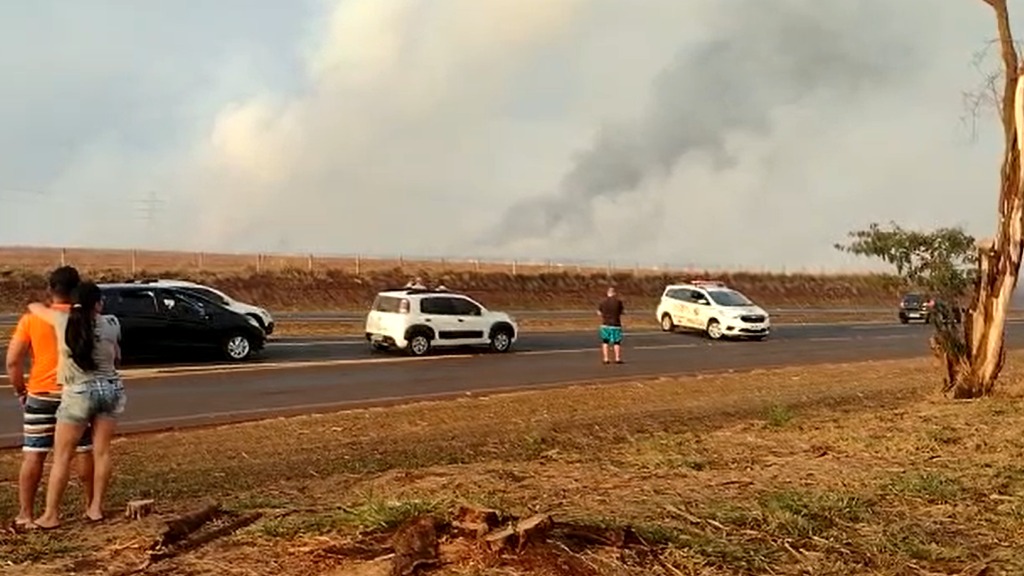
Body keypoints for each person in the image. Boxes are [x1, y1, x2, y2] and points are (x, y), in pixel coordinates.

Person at [25, 281, 125, 529]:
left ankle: (50, 515)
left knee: (62, 457)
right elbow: (117, 355)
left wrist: (42, 300)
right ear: (98, 304)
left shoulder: (63, 321)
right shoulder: (112, 322)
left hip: (78, 391)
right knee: (101, 452)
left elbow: (35, 307)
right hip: (111, 388)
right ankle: (95, 508)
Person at [4, 266, 94, 530]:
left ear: (50, 289)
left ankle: (26, 514)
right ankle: (90, 506)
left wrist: (20, 389)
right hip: (75, 393)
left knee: (34, 454)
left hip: (41, 392)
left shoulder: (31, 320)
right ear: (76, 290)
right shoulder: (83, 317)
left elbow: (12, 361)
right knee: (83, 450)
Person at [597, 286, 625, 364]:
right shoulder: (618, 302)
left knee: (605, 341)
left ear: (608, 293)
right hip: (616, 324)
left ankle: (606, 358)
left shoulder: (603, 302)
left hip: (605, 324)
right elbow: (622, 312)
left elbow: (599, 312)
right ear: (614, 293)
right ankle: (617, 358)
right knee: (617, 342)